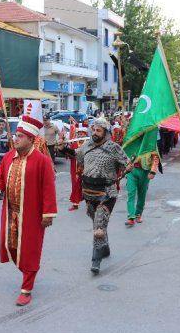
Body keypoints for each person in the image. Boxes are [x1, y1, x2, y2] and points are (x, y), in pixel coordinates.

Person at [0, 112, 57, 306]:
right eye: (15, 135)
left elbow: (48, 188)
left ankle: (26, 288)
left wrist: (48, 213)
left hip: (32, 214)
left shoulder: (41, 161)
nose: (15, 139)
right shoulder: (9, 156)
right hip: (11, 213)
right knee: (11, 247)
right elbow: (1, 177)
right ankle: (29, 271)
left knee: (30, 251)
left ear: (30, 140)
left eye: (19, 136)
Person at [57, 117, 132, 274]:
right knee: (98, 224)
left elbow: (127, 162)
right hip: (88, 192)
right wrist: (63, 148)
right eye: (94, 130)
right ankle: (105, 248)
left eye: (99, 130)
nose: (95, 133)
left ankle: (95, 261)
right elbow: (76, 154)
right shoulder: (87, 145)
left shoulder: (114, 147)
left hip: (107, 193)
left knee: (98, 227)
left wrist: (129, 166)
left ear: (106, 132)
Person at [125, 136, 159, 226]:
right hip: (132, 171)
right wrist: (125, 168)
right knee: (130, 193)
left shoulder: (151, 143)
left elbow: (155, 158)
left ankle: (138, 214)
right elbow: (125, 154)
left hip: (145, 171)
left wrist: (153, 171)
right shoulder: (132, 140)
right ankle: (130, 216)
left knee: (142, 194)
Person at [66, 122, 88, 211]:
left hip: (87, 169)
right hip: (75, 169)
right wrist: (64, 147)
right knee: (75, 185)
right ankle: (75, 204)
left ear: (85, 134)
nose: (80, 135)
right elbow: (68, 154)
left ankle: (90, 203)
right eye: (79, 133)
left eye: (82, 133)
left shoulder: (89, 144)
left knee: (88, 186)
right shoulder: (73, 144)